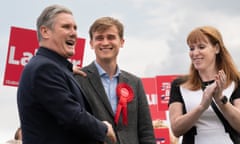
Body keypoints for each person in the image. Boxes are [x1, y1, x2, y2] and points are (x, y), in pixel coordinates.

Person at [17, 5, 116, 144]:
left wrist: (67, 69)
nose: (74, 33)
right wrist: (103, 128)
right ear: (45, 31)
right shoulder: (44, 69)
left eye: (75, 28)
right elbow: (72, 115)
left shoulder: (52, 67)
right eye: (66, 27)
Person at [74, 16, 156, 144]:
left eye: (111, 37)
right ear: (91, 43)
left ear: (122, 42)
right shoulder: (78, 79)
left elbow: (146, 132)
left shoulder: (135, 83)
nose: (105, 42)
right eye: (99, 38)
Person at [168, 26, 240, 144]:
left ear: (216, 48)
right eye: (191, 48)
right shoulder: (179, 85)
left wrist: (221, 99)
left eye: (201, 47)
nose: (195, 53)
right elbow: (176, 129)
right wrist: (201, 107)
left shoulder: (235, 81)